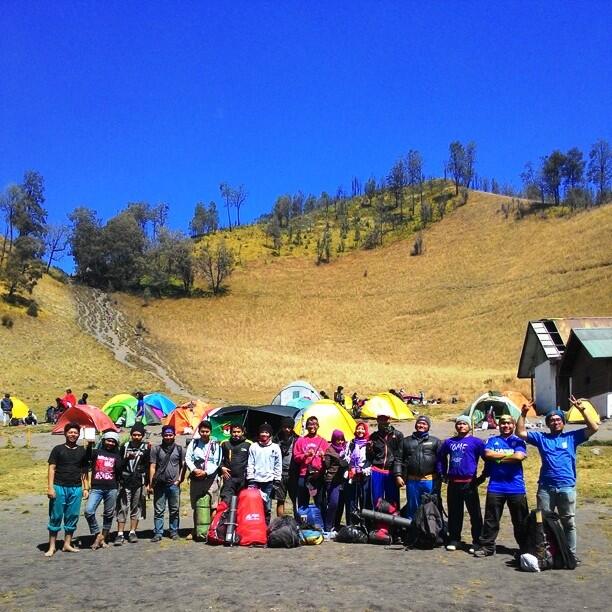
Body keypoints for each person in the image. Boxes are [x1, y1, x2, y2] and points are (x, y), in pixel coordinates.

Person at [516, 397, 599, 562]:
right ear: (547, 424)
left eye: (558, 419)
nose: (555, 422)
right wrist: (523, 413)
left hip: (567, 487)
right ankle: (545, 553)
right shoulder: (542, 438)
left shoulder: (572, 437)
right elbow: (520, 432)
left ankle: (570, 555)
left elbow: (594, 427)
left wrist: (583, 410)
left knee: (568, 523)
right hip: (545, 488)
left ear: (563, 422)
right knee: (542, 522)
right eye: (552, 420)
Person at [475, 414, 529, 558]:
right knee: (491, 519)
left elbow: (519, 457)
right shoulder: (492, 440)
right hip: (496, 487)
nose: (506, 426)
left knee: (520, 520)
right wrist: (510, 457)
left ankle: (525, 547)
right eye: (503, 423)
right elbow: (487, 454)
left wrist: (498, 458)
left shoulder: (519, 441)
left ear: (513, 425)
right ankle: (487, 547)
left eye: (509, 423)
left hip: (516, 487)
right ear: (499, 425)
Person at [437, 416, 485, 552]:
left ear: (469, 426)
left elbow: (487, 458)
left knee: (474, 514)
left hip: (469, 483)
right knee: (454, 513)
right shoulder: (449, 442)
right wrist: (442, 474)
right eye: (459, 424)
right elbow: (441, 458)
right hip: (453, 483)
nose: (461, 426)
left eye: (464, 424)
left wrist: (482, 476)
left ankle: (477, 541)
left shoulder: (476, 442)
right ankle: (454, 539)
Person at [45, 422, 89, 556]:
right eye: (70, 432)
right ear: (65, 433)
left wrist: (86, 487)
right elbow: (51, 468)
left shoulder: (82, 450)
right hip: (59, 486)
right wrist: (50, 487)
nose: (73, 434)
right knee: (56, 515)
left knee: (72, 516)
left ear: (78, 435)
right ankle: (51, 546)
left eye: (75, 432)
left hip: (76, 487)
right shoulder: (58, 449)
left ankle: (67, 544)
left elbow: (85, 471)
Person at [394, 415, 441, 520]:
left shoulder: (435, 441)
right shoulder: (406, 441)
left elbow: (441, 461)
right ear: (416, 425)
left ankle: (430, 530)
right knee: (412, 506)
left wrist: (440, 477)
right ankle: (412, 532)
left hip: (430, 480)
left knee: (430, 507)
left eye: (424, 424)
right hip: (412, 481)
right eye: (419, 423)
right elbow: (398, 459)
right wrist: (398, 475)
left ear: (428, 426)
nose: (421, 425)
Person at [84, 431, 122, 549]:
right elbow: (86, 458)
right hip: (96, 487)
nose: (110, 443)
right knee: (88, 511)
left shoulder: (117, 455)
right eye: (108, 440)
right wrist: (89, 445)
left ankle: (103, 538)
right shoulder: (96, 452)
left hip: (112, 488)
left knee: (108, 514)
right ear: (103, 440)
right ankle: (98, 535)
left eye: (113, 441)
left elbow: (119, 471)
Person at [185, 420, 222, 539]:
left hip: (211, 478)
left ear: (210, 432)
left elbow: (217, 461)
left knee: (213, 505)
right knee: (197, 504)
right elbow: (188, 458)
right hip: (196, 477)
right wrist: (194, 470)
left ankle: (210, 530)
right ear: (199, 432)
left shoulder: (216, 445)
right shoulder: (194, 443)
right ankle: (196, 529)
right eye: (202, 431)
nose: (204, 433)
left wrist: (205, 472)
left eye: (207, 431)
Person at [115, 422, 150, 545]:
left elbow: (148, 466)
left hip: (139, 481)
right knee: (123, 506)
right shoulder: (124, 446)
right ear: (131, 435)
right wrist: (126, 459)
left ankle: (132, 531)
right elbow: (118, 465)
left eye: (139, 435)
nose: (136, 437)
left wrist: (148, 484)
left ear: (142, 436)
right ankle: (120, 534)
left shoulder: (146, 448)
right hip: (125, 481)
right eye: (134, 434)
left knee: (136, 506)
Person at [149, 425, 184, 542]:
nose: (168, 437)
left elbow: (183, 466)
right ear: (162, 436)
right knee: (159, 510)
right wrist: (151, 483)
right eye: (166, 435)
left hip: (173, 485)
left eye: (170, 435)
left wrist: (179, 480)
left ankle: (174, 531)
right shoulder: (156, 449)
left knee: (174, 509)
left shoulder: (179, 449)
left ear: (174, 435)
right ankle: (158, 532)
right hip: (159, 484)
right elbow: (152, 466)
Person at [366, 410, 403, 509]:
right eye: (380, 419)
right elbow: (370, 457)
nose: (383, 421)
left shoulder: (398, 435)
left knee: (393, 500)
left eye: (385, 419)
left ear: (389, 419)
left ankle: (393, 523)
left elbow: (399, 456)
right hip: (377, 471)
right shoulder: (374, 436)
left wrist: (398, 474)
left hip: (391, 471)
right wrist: (369, 449)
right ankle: (377, 523)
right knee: (376, 500)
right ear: (377, 420)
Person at [246, 423, 282, 522]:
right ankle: (255, 523)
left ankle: (266, 525)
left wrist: (277, 479)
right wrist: (250, 478)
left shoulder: (275, 447)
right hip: (255, 480)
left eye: (266, 432)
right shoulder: (254, 446)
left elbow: (278, 464)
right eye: (262, 432)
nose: (264, 434)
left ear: (270, 434)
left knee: (267, 505)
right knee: (254, 504)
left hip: (269, 481)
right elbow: (250, 463)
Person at [293, 416, 329, 512]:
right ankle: (302, 524)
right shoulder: (300, 441)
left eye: (315, 424)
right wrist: (305, 455)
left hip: (318, 475)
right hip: (304, 474)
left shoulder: (323, 442)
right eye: (310, 424)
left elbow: (329, 460)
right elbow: (296, 458)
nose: (312, 426)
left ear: (318, 426)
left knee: (320, 502)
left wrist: (323, 457)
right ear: (306, 426)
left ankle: (322, 524)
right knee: (303, 502)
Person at [322, 430, 349, 534]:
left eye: (342, 439)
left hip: (345, 480)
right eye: (338, 440)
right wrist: (324, 458)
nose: (340, 442)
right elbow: (327, 466)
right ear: (333, 439)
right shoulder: (329, 450)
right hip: (333, 480)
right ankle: (328, 526)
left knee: (341, 504)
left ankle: (336, 525)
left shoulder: (347, 448)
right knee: (333, 503)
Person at [345, 421, 371, 524]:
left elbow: (371, 460)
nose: (360, 431)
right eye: (358, 428)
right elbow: (347, 458)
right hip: (352, 475)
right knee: (352, 500)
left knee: (364, 500)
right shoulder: (351, 443)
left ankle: (365, 524)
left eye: (362, 429)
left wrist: (363, 470)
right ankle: (352, 524)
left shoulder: (369, 444)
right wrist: (351, 467)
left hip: (365, 475)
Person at [273, 417, 298, 517]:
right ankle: (280, 523)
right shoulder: (276, 439)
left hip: (293, 473)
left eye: (289, 427)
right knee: (280, 500)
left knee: (295, 499)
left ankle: (298, 521)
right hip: (280, 473)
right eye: (284, 427)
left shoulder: (297, 439)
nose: (287, 429)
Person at [219, 423, 251, 504]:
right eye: (234, 432)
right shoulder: (224, 443)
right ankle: (226, 517)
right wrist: (221, 467)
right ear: (230, 432)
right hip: (228, 478)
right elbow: (218, 458)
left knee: (241, 503)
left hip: (243, 479)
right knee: (226, 502)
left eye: (238, 432)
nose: (236, 434)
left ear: (242, 432)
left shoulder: (249, 444)